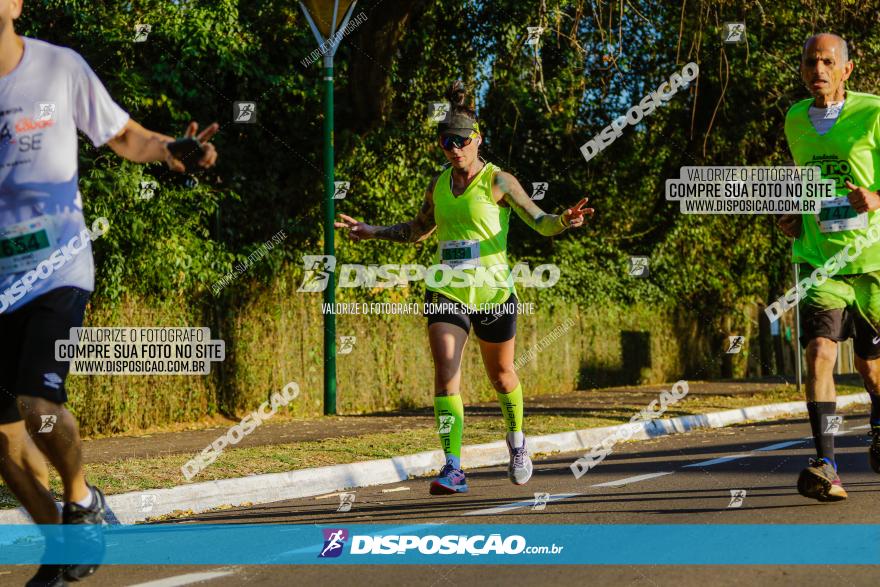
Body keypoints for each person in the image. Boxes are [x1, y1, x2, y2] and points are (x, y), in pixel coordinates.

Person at [0, 1, 218, 584]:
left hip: (56, 267)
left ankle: (82, 500)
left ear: (17, 4)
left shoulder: (58, 68)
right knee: (2, 436)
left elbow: (123, 134)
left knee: (37, 403)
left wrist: (172, 147)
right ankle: (59, 545)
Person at [335, 81, 592, 495]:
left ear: (477, 140)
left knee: (503, 376)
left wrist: (564, 219)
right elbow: (417, 231)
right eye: (446, 142)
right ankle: (453, 466)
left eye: (461, 141)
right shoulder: (438, 186)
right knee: (445, 369)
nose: (454, 148)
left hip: (493, 293)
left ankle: (517, 443)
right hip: (447, 289)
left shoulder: (499, 182)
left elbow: (540, 222)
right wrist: (371, 231)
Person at [778, 32, 880, 502]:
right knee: (820, 352)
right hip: (819, 260)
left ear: (847, 69)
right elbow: (806, 184)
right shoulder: (795, 119)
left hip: (872, 261)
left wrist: (876, 197)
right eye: (809, 62)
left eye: (827, 62)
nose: (817, 70)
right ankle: (827, 465)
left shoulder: (874, 112)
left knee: (872, 368)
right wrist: (792, 214)